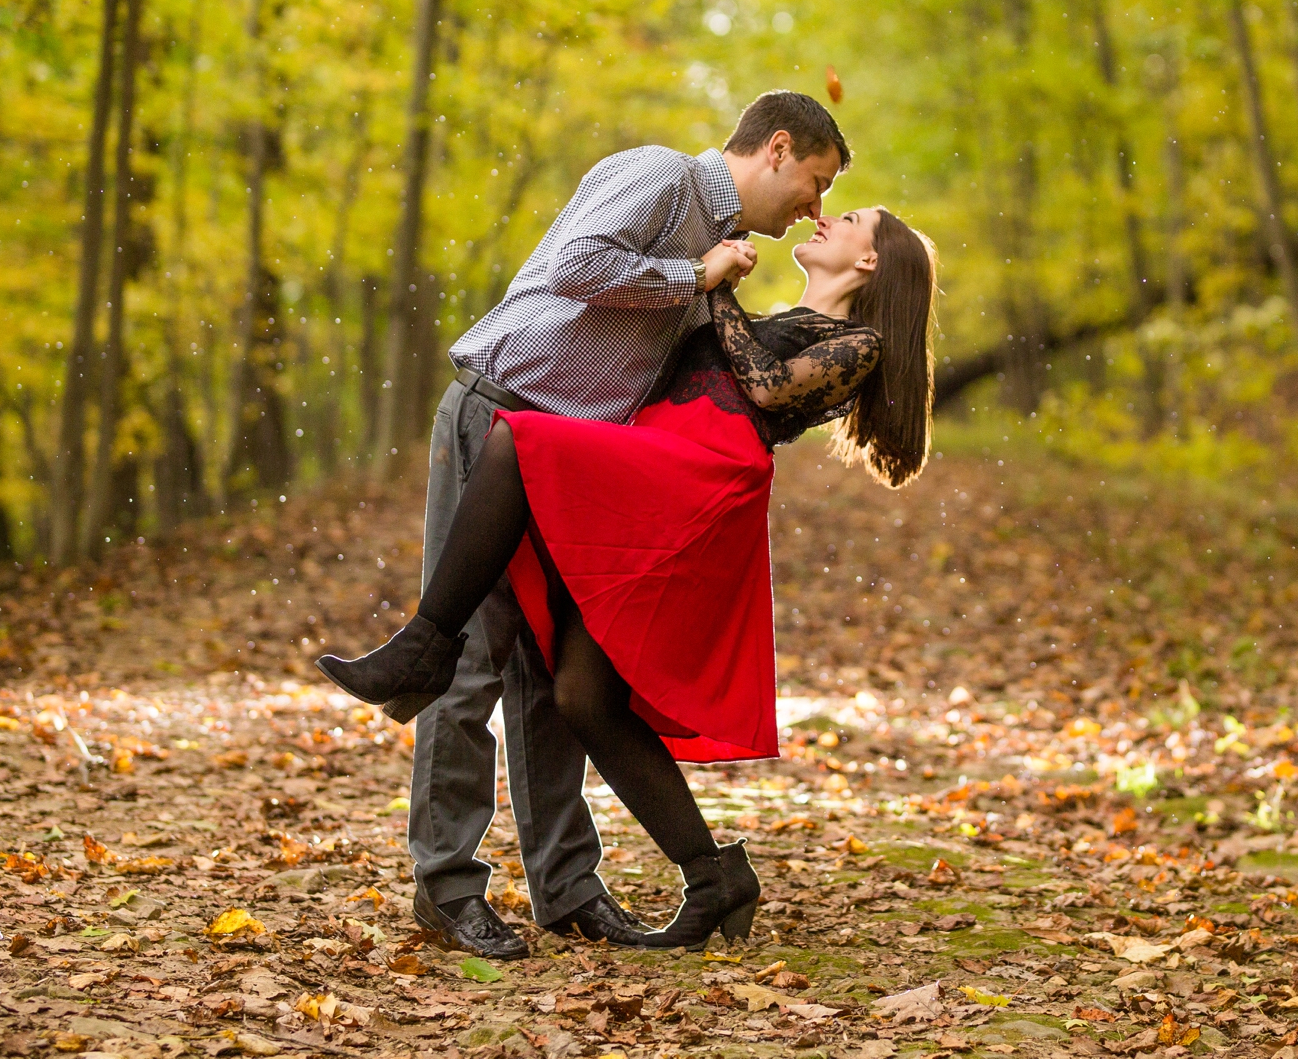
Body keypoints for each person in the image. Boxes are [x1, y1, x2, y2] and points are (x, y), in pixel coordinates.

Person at [322, 204, 938, 949]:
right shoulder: (772, 312)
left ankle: (424, 643)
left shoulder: (857, 343)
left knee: (519, 444)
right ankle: (716, 876)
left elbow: (768, 387)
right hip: (644, 471)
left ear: (870, 262)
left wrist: (713, 284)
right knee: (584, 696)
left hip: (694, 488)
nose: (822, 219)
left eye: (844, 218)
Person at [362, 92, 847, 962]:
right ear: (776, 148)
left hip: (570, 457)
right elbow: (578, 265)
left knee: (547, 674)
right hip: (500, 416)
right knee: (468, 663)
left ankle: (569, 890)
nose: (812, 210)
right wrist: (690, 278)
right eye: (813, 184)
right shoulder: (663, 178)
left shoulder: (724, 255)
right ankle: (447, 887)